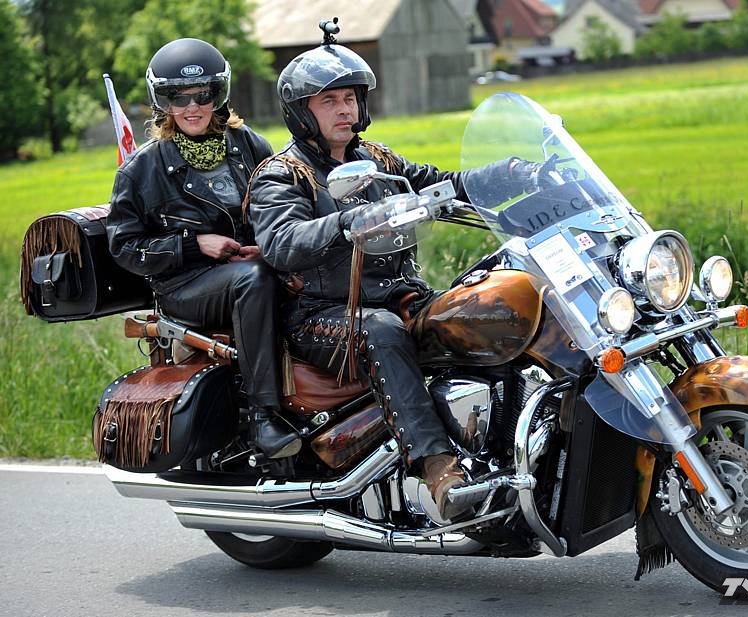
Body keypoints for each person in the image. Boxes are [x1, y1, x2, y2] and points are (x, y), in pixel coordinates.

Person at [246, 38, 536, 519]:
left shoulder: (379, 162)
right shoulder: (282, 175)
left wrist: (513, 174)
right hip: (322, 316)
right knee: (381, 330)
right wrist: (347, 222)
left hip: (400, 297)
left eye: (350, 98)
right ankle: (440, 471)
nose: (345, 109)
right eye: (329, 101)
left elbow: (444, 183)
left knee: (487, 306)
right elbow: (282, 241)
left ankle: (511, 447)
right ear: (301, 111)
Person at [107, 38, 301, 459]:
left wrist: (266, 246)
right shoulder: (142, 169)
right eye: (178, 97)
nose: (192, 107)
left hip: (252, 268)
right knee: (254, 280)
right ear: (163, 102)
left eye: (203, 95)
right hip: (184, 285)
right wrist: (194, 245)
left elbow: (279, 207)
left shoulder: (250, 146)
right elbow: (125, 248)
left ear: (219, 95)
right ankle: (264, 417)